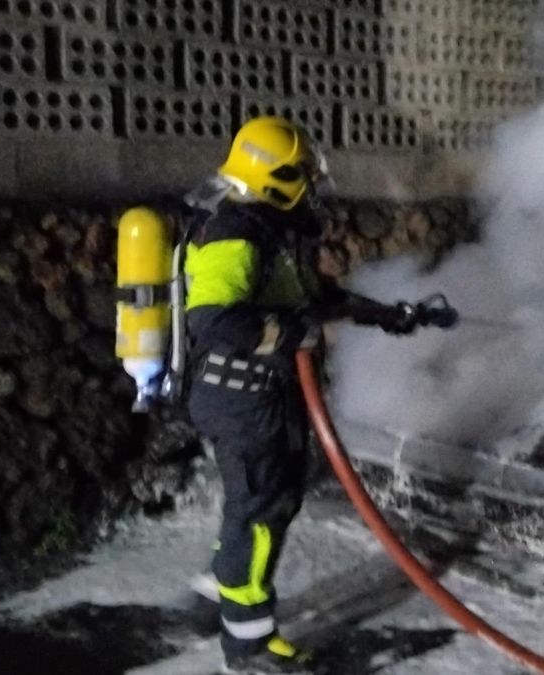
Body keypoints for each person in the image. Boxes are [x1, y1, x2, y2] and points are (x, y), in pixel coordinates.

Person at [183, 116, 415, 673]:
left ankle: (221, 589)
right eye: (303, 176)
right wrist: (295, 335)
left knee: (267, 502)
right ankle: (249, 647)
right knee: (260, 512)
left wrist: (385, 314)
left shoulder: (269, 226)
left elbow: (308, 298)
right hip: (241, 398)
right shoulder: (233, 231)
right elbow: (215, 321)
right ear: (275, 177)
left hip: (263, 395)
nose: (312, 187)